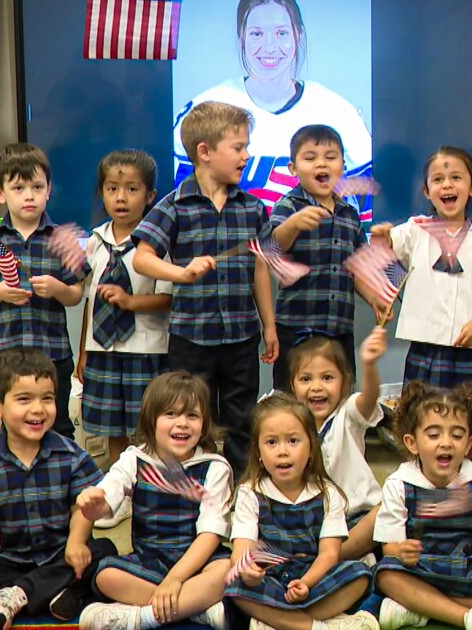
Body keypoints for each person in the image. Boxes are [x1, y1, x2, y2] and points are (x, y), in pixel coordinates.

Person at [133, 101, 278, 476]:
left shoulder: (253, 209)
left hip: (241, 335)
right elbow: (143, 258)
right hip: (191, 338)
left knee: (242, 419)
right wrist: (181, 273)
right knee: (189, 418)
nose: (247, 156)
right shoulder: (175, 206)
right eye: (239, 147)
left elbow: (261, 268)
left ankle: (240, 490)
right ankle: (193, 488)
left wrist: (270, 325)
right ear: (205, 152)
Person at [0, 348, 117, 629]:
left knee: (106, 551)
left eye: (47, 398)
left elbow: (83, 508)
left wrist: (76, 542)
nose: (38, 409)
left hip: (64, 554)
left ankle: (18, 595)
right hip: (14, 562)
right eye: (24, 399)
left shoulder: (71, 455)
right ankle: (58, 592)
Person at [172, 0, 372, 210]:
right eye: (257, 33)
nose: (269, 46)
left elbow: (366, 206)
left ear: (298, 35)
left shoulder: (338, 112)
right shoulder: (204, 109)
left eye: (281, 33)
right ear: (242, 35)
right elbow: (181, 206)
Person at [76, 372, 232, 630]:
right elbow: (109, 493)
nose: (182, 423)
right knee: (104, 574)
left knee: (227, 571)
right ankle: (195, 609)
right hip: (150, 561)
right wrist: (95, 504)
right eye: (170, 414)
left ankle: (142, 618)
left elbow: (210, 535)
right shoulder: (135, 459)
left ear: (204, 425)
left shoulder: (214, 467)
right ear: (151, 420)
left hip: (198, 562)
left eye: (192, 415)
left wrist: (176, 579)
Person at [373, 381, 472, 630]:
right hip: (419, 569)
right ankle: (468, 616)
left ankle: (421, 608)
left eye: (456, 435)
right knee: (386, 575)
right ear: (412, 443)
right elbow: (389, 545)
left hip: (464, 568)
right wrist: (401, 551)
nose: (446, 443)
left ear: (468, 444)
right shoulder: (399, 484)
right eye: (433, 435)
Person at [0, 143, 89, 439]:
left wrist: (58, 288)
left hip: (53, 354)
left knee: (57, 426)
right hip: (7, 354)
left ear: (49, 190)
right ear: (0, 193)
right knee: (12, 426)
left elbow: (76, 295)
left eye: (37, 186)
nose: (29, 195)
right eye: (18, 188)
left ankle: (61, 481)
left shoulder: (62, 240)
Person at [76, 151, 173, 528]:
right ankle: (119, 493)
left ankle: (150, 489)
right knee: (112, 424)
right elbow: (88, 298)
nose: (121, 198)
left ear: (149, 195)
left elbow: (168, 297)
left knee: (143, 424)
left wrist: (131, 302)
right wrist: (85, 348)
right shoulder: (95, 242)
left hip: (144, 349)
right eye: (112, 189)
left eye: (132, 189)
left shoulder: (157, 242)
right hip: (103, 350)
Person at [225, 393, 377, 630]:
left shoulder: (327, 493)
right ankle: (315, 625)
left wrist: (306, 582)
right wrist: (247, 570)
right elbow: (242, 546)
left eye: (293, 441)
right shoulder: (249, 492)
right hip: (270, 579)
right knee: (233, 584)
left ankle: (277, 621)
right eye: (272, 442)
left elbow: (329, 554)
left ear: (311, 449)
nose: (282, 451)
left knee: (359, 574)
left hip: (313, 576)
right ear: (258, 452)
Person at [371, 146, 472, 389]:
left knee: (466, 415)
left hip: (468, 349)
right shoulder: (415, 230)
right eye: (438, 179)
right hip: (424, 346)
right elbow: (388, 249)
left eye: (456, 178)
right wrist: (382, 237)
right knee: (420, 414)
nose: (446, 185)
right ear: (426, 190)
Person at [270, 124, 389, 390]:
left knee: (340, 397)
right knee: (292, 401)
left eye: (330, 157)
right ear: (293, 168)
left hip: (339, 329)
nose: (321, 164)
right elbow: (273, 248)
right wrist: (294, 224)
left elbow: (357, 268)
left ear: (342, 166)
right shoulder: (288, 206)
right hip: (297, 329)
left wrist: (373, 298)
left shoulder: (350, 213)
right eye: (310, 158)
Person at [289, 326, 388, 561]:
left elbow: (368, 400)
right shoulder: (291, 424)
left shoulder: (348, 414)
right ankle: (328, 561)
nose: (316, 387)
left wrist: (370, 365)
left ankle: (329, 560)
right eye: (305, 379)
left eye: (327, 377)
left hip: (357, 516)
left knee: (387, 508)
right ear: (292, 387)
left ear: (344, 382)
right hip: (319, 521)